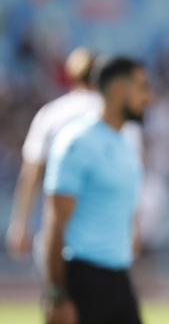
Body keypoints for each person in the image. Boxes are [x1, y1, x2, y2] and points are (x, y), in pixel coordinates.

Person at [0, 56, 154, 324]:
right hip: (81, 279)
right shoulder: (77, 141)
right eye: (142, 87)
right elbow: (53, 223)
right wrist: (56, 293)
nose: (148, 96)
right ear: (118, 90)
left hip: (117, 281)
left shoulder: (125, 141)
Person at [6, 46, 142, 262]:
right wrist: (134, 226)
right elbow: (131, 179)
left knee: (60, 291)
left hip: (61, 232)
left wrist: (20, 223)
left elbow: (30, 174)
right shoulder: (121, 119)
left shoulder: (52, 114)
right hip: (108, 236)